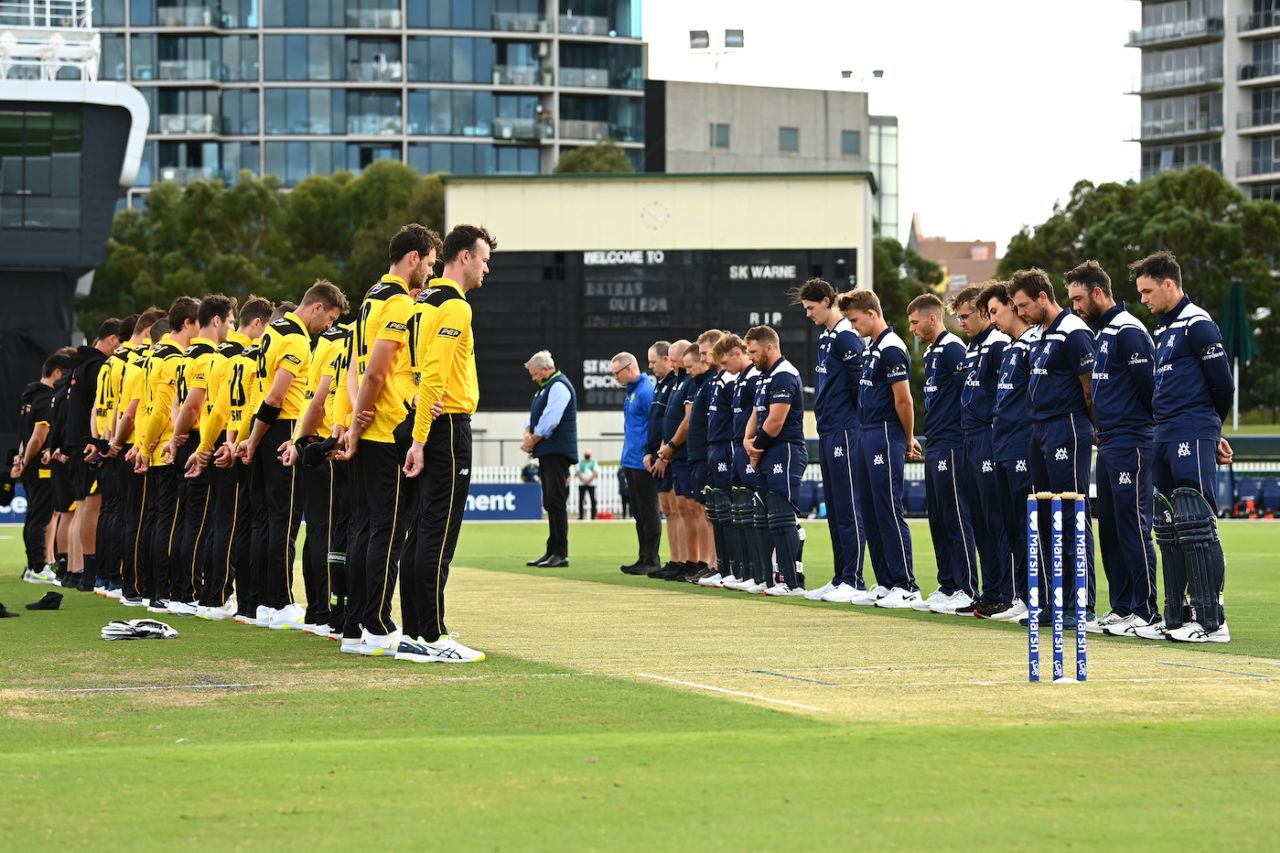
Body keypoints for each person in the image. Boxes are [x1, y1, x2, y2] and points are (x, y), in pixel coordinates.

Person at [337, 225, 439, 656]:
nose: (431, 274)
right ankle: (376, 625)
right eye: (430, 263)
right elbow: (377, 371)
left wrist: (350, 422)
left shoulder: (369, 298)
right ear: (413, 258)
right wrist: (359, 428)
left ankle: (355, 625)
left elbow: (353, 369)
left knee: (364, 527)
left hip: (369, 426)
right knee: (388, 530)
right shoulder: (397, 300)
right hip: (385, 431)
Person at [400, 223, 494, 664]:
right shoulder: (455, 307)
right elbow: (435, 372)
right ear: (464, 258)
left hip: (425, 420)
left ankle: (416, 630)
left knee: (419, 529)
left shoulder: (421, 304)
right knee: (438, 531)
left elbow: (407, 371)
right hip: (447, 426)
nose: (486, 269)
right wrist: (419, 439)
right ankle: (432, 636)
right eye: (484, 259)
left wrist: (414, 408)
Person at [1131, 251, 1233, 643]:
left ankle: (1212, 621)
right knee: (1169, 522)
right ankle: (1177, 616)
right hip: (1165, 430)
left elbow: (1222, 385)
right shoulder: (1164, 328)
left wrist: (1210, 428)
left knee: (1195, 520)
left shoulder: (1198, 324)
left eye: (1148, 291)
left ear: (1170, 284)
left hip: (1191, 427)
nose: (1143, 299)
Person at [238, 282, 346, 629]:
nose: (329, 326)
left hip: (263, 428)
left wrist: (251, 436)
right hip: (283, 430)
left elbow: (258, 390)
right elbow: (275, 397)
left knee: (264, 522)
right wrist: (254, 440)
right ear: (316, 307)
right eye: (329, 317)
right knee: (284, 523)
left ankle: (259, 602)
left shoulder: (269, 332)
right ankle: (281, 602)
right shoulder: (297, 338)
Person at [1066, 260, 1158, 638]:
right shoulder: (1102, 334)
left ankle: (1146, 609)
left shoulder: (1128, 331)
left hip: (1132, 441)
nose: (1075, 307)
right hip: (1107, 443)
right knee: (1111, 529)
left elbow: (1150, 389)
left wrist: (1137, 428)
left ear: (1099, 293)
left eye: (1078, 299)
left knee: (1134, 525)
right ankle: (1122, 607)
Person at [1008, 267, 1097, 627]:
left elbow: (1090, 386)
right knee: (1044, 515)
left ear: (1043, 298)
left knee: (1073, 513)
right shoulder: (1040, 335)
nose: (1020, 313)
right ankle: (1052, 601)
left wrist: (1095, 426)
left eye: (1024, 305)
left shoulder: (1074, 331)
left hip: (1068, 428)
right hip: (1039, 430)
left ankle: (1082, 604)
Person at [187, 295, 273, 621]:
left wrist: (207, 445)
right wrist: (235, 441)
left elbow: (216, 406)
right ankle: (224, 598)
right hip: (237, 448)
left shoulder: (216, 358)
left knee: (219, 525)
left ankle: (214, 595)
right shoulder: (247, 358)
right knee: (238, 528)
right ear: (258, 325)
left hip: (220, 442)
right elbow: (249, 407)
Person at [839, 289, 921, 607]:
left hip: (885, 433)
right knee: (870, 510)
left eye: (855, 320)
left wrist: (908, 436)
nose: (853, 327)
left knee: (888, 507)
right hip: (866, 432)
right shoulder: (871, 348)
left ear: (872, 314)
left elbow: (904, 399)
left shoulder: (891, 347)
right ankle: (886, 581)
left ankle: (906, 583)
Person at [794, 280, 867, 602]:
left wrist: (853, 424)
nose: (808, 315)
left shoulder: (846, 337)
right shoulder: (827, 338)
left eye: (811, 308)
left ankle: (854, 578)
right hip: (828, 429)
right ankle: (841, 577)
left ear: (827, 301)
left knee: (849, 506)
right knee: (836, 508)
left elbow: (859, 385)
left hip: (846, 430)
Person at [162, 295, 235, 614]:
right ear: (216, 321)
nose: (231, 328)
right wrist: (181, 440)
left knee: (188, 522)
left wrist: (175, 439)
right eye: (230, 322)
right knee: (202, 523)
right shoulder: (207, 357)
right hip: (199, 439)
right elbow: (192, 406)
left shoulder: (186, 356)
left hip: (186, 439)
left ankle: (180, 590)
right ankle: (190, 592)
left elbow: (178, 405)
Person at [906, 292, 977, 614]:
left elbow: (968, 394)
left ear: (933, 319)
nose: (912, 329)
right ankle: (948, 584)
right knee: (938, 517)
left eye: (915, 322)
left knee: (956, 515)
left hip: (952, 443)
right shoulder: (934, 352)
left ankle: (965, 586)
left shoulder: (952, 349)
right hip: (935, 442)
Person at [132, 297, 200, 612]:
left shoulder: (152, 356)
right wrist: (148, 446)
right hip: (162, 448)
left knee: (157, 520)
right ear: (188, 323)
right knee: (169, 522)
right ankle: (162, 592)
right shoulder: (173, 360)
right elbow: (161, 408)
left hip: (152, 443)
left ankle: (150, 589)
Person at [979, 282, 1038, 622]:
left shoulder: (1031, 345)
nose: (993, 319)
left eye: (996, 311)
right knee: (1011, 524)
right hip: (1001, 445)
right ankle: (1020, 595)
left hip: (1021, 447)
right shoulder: (1013, 348)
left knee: (1026, 525)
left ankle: (1035, 596)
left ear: (1013, 307)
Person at [954, 284, 1011, 616]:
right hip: (969, 438)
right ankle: (989, 590)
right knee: (978, 517)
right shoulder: (971, 348)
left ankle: (1006, 591)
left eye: (966, 316)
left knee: (995, 516)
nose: (962, 323)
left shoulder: (998, 344)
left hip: (989, 437)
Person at [742, 325, 808, 596]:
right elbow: (757, 414)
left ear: (769, 347)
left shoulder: (785, 375)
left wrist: (755, 447)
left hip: (785, 450)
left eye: (754, 352)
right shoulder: (764, 377)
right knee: (763, 517)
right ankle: (768, 579)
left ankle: (792, 582)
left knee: (782, 516)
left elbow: (776, 420)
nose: (751, 358)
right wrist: (747, 442)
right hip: (766, 450)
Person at [14, 350, 73, 584]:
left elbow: (24, 437)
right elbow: (38, 437)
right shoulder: (45, 399)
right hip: (41, 467)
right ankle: (38, 566)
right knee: (41, 518)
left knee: (34, 517)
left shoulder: (29, 397)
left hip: (31, 466)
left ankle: (34, 565)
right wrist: (26, 460)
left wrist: (20, 459)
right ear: (57, 373)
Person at [521, 350, 578, 568]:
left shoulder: (558, 387)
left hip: (556, 452)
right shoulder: (545, 389)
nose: (534, 378)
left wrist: (532, 440)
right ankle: (551, 550)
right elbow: (534, 417)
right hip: (548, 451)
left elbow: (550, 419)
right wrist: (528, 432)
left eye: (535, 374)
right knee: (551, 502)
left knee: (556, 502)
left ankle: (560, 552)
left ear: (546, 369)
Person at [651, 340, 697, 579]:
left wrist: (669, 447)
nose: (669, 362)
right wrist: (661, 448)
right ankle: (679, 559)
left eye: (671, 357)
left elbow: (687, 420)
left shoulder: (688, 382)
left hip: (680, 453)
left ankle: (694, 560)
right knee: (673, 510)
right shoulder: (677, 383)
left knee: (691, 510)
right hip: (669, 452)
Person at [612, 351, 660, 574]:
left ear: (629, 368)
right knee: (638, 514)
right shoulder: (632, 392)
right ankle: (643, 557)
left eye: (617, 374)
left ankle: (652, 559)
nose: (616, 379)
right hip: (631, 460)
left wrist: (650, 453)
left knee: (649, 512)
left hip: (643, 461)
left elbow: (654, 425)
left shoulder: (645, 391)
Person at [697, 333, 739, 588]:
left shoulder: (730, 381)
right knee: (718, 510)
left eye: (705, 352)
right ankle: (723, 566)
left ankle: (735, 567)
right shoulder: (715, 381)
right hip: (715, 448)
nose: (704, 357)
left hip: (726, 448)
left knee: (731, 509)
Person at [679, 334, 718, 581]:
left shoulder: (713, 382)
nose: (702, 359)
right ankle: (707, 562)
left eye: (704, 355)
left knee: (709, 512)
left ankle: (712, 563)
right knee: (702, 511)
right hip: (698, 455)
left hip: (708, 454)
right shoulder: (702, 384)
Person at [575, 450, 598, 520]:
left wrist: (588, 480)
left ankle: (593, 516)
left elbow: (595, 473)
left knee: (593, 500)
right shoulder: (580, 462)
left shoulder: (594, 462)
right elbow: (578, 472)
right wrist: (583, 480)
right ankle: (581, 516)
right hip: (582, 483)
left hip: (591, 484)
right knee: (581, 500)